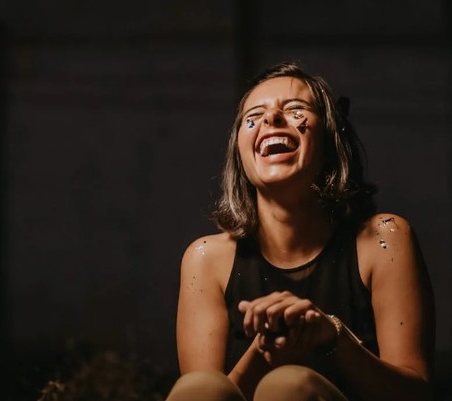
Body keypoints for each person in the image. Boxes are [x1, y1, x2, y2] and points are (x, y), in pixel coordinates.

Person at [165, 61, 435, 401]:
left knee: (289, 386)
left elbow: (416, 393)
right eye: (254, 117)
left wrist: (331, 335)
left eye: (295, 110)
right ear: (240, 153)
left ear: (330, 139)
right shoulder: (205, 259)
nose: (271, 119)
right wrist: (265, 350)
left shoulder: (384, 239)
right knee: (198, 388)